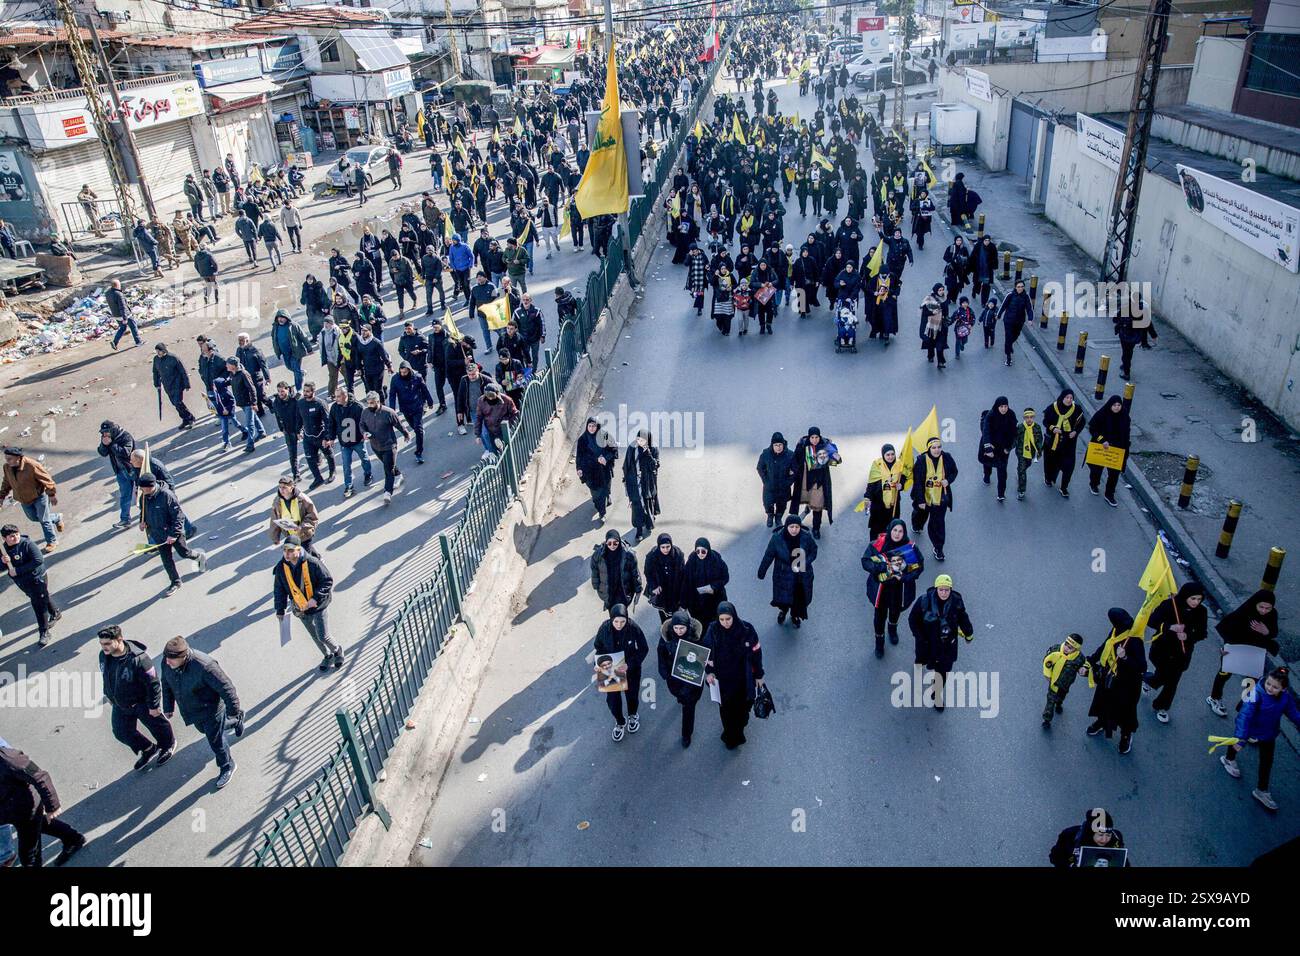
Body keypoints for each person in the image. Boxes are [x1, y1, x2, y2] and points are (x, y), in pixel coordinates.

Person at [160, 636, 242, 790]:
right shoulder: (167, 661)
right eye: (166, 658)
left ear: (183, 657)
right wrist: (168, 707)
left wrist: (233, 711)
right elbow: (166, 683)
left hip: (211, 709)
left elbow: (227, 688)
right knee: (204, 730)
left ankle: (227, 765)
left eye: (171, 660)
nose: (167, 662)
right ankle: (235, 721)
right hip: (192, 710)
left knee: (215, 741)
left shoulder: (205, 666)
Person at [1218, 667, 1300, 811]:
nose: (1270, 688)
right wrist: (1240, 737)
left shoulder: (1286, 698)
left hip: (1269, 733)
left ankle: (1262, 790)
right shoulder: (1255, 694)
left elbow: (1294, 714)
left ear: (1284, 689)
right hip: (1251, 729)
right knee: (1237, 743)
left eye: (1275, 687)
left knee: (1267, 762)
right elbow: (1244, 716)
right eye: (1268, 683)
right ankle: (1228, 758)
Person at [97, 625, 175, 769]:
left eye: (107, 643)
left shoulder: (139, 659)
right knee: (121, 732)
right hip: (120, 704)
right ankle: (148, 749)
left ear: (119, 639)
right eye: (101, 644)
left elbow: (153, 683)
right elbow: (106, 676)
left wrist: (154, 706)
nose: (104, 647)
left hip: (141, 703)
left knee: (157, 726)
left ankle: (167, 745)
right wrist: (108, 695)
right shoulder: (104, 656)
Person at [0, 740, 86, 866]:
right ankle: (73, 839)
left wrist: (52, 806)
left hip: (27, 809)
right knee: (43, 824)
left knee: (29, 857)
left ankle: (72, 839)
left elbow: (39, 775)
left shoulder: (7, 758)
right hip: (8, 811)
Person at [274, 536, 344, 672]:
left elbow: (327, 580)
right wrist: (280, 610)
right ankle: (327, 655)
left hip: (318, 605)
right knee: (314, 636)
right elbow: (279, 589)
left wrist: (315, 598)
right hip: (301, 607)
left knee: (322, 635)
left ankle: (337, 650)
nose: (286, 554)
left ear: (298, 550)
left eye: (290, 550)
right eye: (284, 550)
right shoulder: (281, 568)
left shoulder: (313, 563)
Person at [1207, 590, 1280, 718]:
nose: (1264, 611)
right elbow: (1228, 629)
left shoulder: (1272, 614)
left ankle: (1244, 708)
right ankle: (1214, 697)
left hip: (1255, 652)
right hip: (1235, 649)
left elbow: (1274, 632)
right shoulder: (1244, 613)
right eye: (1261, 607)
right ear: (1255, 604)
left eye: (1268, 608)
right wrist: (1224, 647)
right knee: (1224, 674)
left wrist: (1266, 631)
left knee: (1253, 682)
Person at [1142, 581, 1208, 723]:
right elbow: (1152, 621)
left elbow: (1202, 633)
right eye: (1193, 598)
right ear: (1185, 596)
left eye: (1199, 599)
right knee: (1163, 675)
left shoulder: (1202, 612)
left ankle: (1162, 706)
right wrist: (1169, 627)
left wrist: (1188, 636)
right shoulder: (1169, 605)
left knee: (1172, 682)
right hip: (1162, 649)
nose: (1196, 602)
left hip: (1182, 653)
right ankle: (1148, 679)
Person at [703, 602, 765, 750]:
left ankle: (740, 725)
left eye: (728, 619)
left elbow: (756, 653)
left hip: (744, 681)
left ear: (734, 616)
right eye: (722, 619)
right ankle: (731, 737)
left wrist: (759, 675)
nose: (725, 623)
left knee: (743, 711)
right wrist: (709, 673)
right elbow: (704, 654)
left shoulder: (747, 629)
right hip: (723, 683)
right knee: (726, 713)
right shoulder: (712, 630)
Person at [908, 573, 974, 711]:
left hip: (947, 646)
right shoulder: (924, 601)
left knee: (943, 672)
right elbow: (913, 619)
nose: (944, 593)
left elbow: (963, 618)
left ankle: (936, 695)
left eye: (947, 589)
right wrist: (919, 637)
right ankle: (919, 664)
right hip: (927, 643)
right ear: (936, 588)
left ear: (951, 590)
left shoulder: (956, 602)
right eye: (941, 589)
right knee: (921, 659)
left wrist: (969, 633)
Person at [138, 474, 207, 596]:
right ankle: (175, 582)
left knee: (184, 553)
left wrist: (174, 534)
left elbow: (178, 516)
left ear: (151, 486)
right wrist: (142, 522)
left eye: (144, 489)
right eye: (142, 489)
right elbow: (143, 512)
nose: (143, 491)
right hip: (158, 534)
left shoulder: (166, 495)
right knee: (166, 560)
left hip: (173, 533)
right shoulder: (143, 497)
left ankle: (199, 557)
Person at [1086, 608, 1144, 753]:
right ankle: (1101, 722)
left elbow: (1142, 666)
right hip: (1110, 676)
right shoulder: (1115, 632)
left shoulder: (1134, 639)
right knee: (1103, 702)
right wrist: (1091, 660)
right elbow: (1104, 646)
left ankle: (1126, 735)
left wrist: (1125, 658)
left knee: (1125, 711)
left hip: (1127, 683)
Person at [863, 518, 923, 658]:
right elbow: (865, 562)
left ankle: (892, 629)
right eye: (895, 530)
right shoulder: (877, 545)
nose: (897, 534)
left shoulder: (910, 548)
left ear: (904, 532)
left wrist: (904, 577)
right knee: (879, 617)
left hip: (899, 589)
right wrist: (881, 567)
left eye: (900, 531)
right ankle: (879, 642)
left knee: (896, 611)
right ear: (890, 530)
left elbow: (919, 567)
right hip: (881, 590)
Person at [594, 604, 649, 742]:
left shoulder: (633, 628)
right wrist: (598, 663)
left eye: (622, 621)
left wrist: (629, 664)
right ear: (611, 619)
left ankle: (632, 715)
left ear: (627, 619)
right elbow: (598, 647)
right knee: (613, 700)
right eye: (616, 621)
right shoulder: (604, 628)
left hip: (630, 669)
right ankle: (619, 722)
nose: (619, 624)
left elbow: (644, 648)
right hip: (611, 669)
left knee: (632, 696)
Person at [0, 524, 61, 647]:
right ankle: (55, 613)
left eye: (17, 534)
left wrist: (18, 570)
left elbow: (38, 560)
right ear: (4, 538)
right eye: (12, 536)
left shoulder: (27, 544)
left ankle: (44, 632)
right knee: (42, 597)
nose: (16, 537)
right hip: (22, 583)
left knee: (38, 605)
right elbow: (1, 568)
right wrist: (2, 562)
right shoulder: (3, 550)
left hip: (37, 578)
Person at [758, 513, 818, 629]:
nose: (794, 530)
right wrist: (762, 571)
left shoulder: (806, 537)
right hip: (783, 574)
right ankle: (783, 611)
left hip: (801, 576)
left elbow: (814, 551)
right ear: (786, 526)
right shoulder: (777, 538)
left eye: (797, 527)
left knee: (798, 597)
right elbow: (769, 555)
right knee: (783, 598)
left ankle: (795, 615)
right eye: (791, 527)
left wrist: (805, 562)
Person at [657, 611, 706, 748]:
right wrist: (664, 672)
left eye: (682, 628)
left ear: (687, 627)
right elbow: (661, 653)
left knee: (689, 707)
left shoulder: (696, 639)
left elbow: (701, 659)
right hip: (674, 679)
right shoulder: (666, 637)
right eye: (676, 628)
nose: (679, 631)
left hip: (691, 681)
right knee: (680, 696)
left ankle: (686, 734)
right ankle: (680, 698)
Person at [1, 447, 63, 552]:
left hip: (39, 496)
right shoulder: (7, 467)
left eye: (10, 458)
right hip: (24, 499)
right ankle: (56, 518)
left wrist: (51, 494)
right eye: (6, 458)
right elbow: (6, 482)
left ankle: (52, 541)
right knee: (34, 518)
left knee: (44, 520)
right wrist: (1, 496)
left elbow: (47, 479)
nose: (7, 461)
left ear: (18, 458)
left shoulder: (32, 465)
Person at [910, 437, 957, 562]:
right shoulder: (921, 461)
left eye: (939, 447)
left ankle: (938, 548)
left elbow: (954, 472)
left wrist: (948, 480)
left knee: (938, 524)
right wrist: (920, 501)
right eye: (934, 447)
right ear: (928, 448)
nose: (937, 450)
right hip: (924, 497)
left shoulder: (947, 457)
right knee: (920, 515)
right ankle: (917, 525)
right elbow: (918, 483)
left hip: (940, 498)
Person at [791, 426, 841, 538]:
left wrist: (835, 457)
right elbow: (795, 459)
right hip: (805, 479)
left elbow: (835, 458)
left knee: (818, 505)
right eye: (812, 437)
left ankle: (816, 528)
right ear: (809, 437)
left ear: (819, 436)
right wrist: (793, 471)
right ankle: (795, 524)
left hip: (819, 482)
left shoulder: (826, 445)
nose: (814, 439)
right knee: (804, 499)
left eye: (816, 437)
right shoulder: (802, 445)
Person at [360, 391, 410, 503]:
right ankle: (398, 474)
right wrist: (364, 433)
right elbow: (362, 424)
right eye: (368, 403)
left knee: (388, 469)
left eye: (372, 403)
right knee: (389, 465)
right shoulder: (365, 412)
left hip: (389, 446)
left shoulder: (388, 413)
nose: (370, 405)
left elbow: (399, 424)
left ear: (378, 401)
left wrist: (406, 434)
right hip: (375, 446)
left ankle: (387, 492)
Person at [327, 387, 373, 498]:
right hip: (344, 443)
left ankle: (368, 475)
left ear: (345, 395)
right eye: (335, 396)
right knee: (346, 465)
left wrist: (365, 433)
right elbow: (331, 424)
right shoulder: (334, 407)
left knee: (365, 459)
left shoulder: (358, 407)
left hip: (358, 440)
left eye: (338, 396)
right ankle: (349, 486)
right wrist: (331, 438)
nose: (336, 399)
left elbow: (366, 421)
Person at [1087, 394, 1130, 507]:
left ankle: (1109, 494)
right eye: (1114, 405)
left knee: (1114, 474)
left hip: (1116, 450)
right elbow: (1092, 428)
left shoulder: (1125, 417)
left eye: (1119, 405)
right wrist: (1102, 440)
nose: (1116, 407)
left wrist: (1124, 449)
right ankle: (1094, 484)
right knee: (1096, 469)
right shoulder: (1102, 414)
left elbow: (1126, 434)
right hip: (1101, 448)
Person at [1042, 389, 1085, 498]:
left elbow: (1082, 423)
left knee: (1069, 466)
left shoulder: (1077, 409)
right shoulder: (1053, 408)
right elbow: (1045, 421)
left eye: (1071, 398)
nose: (1069, 400)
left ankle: (1064, 487)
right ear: (1062, 398)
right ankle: (1049, 478)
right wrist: (1053, 428)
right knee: (1051, 463)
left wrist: (1075, 432)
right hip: (1054, 442)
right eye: (1067, 398)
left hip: (1069, 442)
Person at [1049, 808, 1127, 868]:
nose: (1104, 840)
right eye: (1100, 835)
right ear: (1091, 833)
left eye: (1108, 835)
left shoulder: (1116, 838)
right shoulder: (1070, 835)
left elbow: (1123, 862)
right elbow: (1055, 857)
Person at [1041, 633, 1089, 729]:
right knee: (1050, 700)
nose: (1066, 648)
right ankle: (1047, 718)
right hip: (1054, 682)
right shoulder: (1056, 649)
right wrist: (1048, 675)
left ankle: (1059, 703)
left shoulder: (1079, 658)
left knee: (1061, 696)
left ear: (1076, 649)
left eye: (1070, 648)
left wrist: (1084, 670)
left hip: (1066, 683)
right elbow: (1047, 662)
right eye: (1066, 644)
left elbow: (1086, 665)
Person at [575, 417, 617, 522]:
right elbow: (579, 456)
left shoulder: (605, 435)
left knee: (606, 486)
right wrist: (579, 468)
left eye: (594, 426)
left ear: (598, 426)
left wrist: (605, 458)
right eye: (590, 426)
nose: (592, 428)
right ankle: (602, 513)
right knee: (596, 493)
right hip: (590, 472)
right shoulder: (583, 440)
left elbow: (613, 449)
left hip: (604, 469)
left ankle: (607, 495)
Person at [589, 528, 641, 611]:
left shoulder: (628, 555)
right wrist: (596, 585)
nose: (612, 546)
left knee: (622, 614)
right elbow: (595, 570)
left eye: (615, 543)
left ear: (619, 542)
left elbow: (635, 572)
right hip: (609, 592)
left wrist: (638, 588)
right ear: (606, 543)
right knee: (613, 614)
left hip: (624, 590)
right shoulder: (598, 555)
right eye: (609, 543)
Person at [682, 537, 729, 627]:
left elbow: (725, 577)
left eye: (703, 551)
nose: (700, 554)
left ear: (708, 550)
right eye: (697, 551)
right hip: (697, 601)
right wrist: (684, 604)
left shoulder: (716, 561)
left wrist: (713, 587)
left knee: (714, 623)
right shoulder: (692, 561)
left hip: (713, 599)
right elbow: (686, 582)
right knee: (700, 624)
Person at [623, 429, 660, 543]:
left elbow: (655, 466)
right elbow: (627, 465)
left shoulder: (653, 449)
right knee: (637, 507)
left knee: (648, 503)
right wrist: (626, 480)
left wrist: (648, 454)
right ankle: (639, 530)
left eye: (643, 440)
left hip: (648, 483)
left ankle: (649, 523)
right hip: (635, 482)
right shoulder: (632, 448)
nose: (640, 442)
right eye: (638, 439)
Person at [978, 397, 1017, 502]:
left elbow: (1014, 434)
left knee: (1002, 472)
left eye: (1006, 406)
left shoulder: (1011, 415)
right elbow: (986, 432)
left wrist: (1008, 448)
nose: (1004, 409)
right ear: (997, 406)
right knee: (987, 464)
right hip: (991, 445)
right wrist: (988, 448)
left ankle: (1001, 493)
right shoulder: (991, 415)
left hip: (1003, 449)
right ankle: (987, 475)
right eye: (1001, 406)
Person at [644, 532, 686, 624]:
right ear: (659, 546)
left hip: (675, 586)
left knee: (677, 610)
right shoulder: (652, 556)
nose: (666, 550)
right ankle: (665, 627)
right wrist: (654, 586)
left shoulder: (678, 554)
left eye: (668, 547)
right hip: (661, 588)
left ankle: (677, 628)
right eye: (663, 547)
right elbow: (648, 573)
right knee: (663, 610)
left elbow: (683, 573)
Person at [756, 432, 795, 528]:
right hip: (770, 486)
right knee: (768, 503)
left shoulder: (790, 455)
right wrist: (766, 481)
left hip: (784, 486)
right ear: (772, 445)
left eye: (780, 445)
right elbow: (760, 468)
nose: (778, 447)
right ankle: (770, 515)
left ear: (783, 444)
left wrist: (788, 482)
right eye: (776, 445)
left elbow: (796, 470)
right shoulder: (766, 454)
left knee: (782, 505)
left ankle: (778, 517)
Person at [270, 310, 311, 392]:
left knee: (296, 370)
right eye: (279, 318)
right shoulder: (275, 327)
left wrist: (309, 348)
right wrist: (277, 352)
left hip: (295, 352)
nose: (280, 320)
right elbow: (274, 340)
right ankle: (301, 373)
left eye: (282, 318)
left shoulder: (294, 326)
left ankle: (299, 389)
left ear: (287, 318)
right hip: (285, 353)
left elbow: (303, 337)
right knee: (289, 367)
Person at [997, 279, 1032, 366]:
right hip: (1008, 321)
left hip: (1019, 321)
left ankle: (1009, 345)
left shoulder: (1026, 297)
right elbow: (1003, 306)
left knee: (1015, 336)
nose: (1020, 288)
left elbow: (1029, 308)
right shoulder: (1010, 295)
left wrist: (1030, 319)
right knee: (1008, 338)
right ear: (1015, 287)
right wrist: (998, 315)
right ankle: (1008, 357)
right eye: (1018, 287)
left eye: (1022, 287)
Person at [1013, 406, 1044, 501]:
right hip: (1021, 452)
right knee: (1022, 471)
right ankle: (1022, 490)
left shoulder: (1037, 427)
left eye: (1031, 417)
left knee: (1027, 465)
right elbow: (1015, 439)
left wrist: (1039, 451)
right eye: (1027, 417)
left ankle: (1019, 471)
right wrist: (1008, 448)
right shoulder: (1020, 427)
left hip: (1031, 453)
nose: (1029, 419)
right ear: (1024, 418)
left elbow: (1039, 440)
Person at [107, 278, 142, 350]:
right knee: (133, 326)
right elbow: (122, 307)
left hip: (116, 315)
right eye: (119, 284)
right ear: (116, 285)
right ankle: (138, 342)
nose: (120, 285)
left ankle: (115, 342)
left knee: (122, 328)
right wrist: (125, 318)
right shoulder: (118, 294)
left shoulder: (107, 293)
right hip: (124, 315)